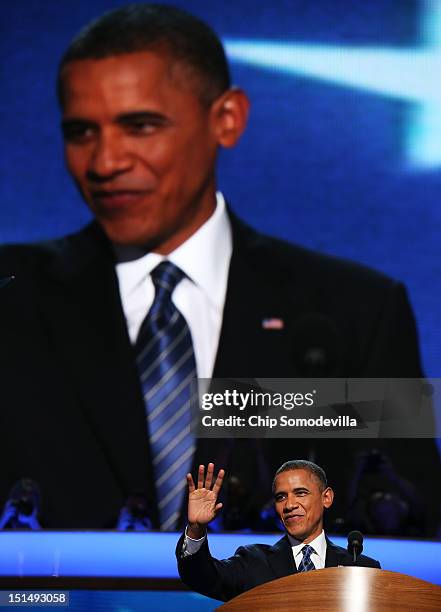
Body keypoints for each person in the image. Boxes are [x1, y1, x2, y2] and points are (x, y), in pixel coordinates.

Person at [0, 3, 438, 530]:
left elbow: (411, 524)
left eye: (140, 126)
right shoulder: (11, 300)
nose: (105, 162)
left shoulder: (353, 313)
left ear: (226, 119)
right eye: (81, 133)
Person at [177, 461, 380, 601]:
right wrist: (196, 529)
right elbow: (202, 577)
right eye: (281, 497)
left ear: (326, 498)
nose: (289, 504)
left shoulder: (361, 567)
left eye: (300, 493)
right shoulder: (253, 561)